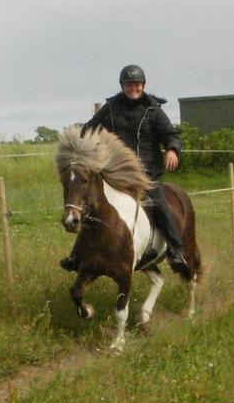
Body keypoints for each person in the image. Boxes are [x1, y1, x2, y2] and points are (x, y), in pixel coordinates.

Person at [60, 64, 190, 275]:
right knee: (93, 206)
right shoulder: (111, 108)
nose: (133, 88)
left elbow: (170, 134)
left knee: (159, 204)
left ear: (143, 85)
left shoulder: (153, 110)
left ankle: (176, 251)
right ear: (122, 86)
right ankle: (77, 255)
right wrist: (76, 137)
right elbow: (91, 127)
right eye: (129, 85)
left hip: (147, 174)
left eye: (137, 84)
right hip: (118, 173)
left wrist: (172, 150)